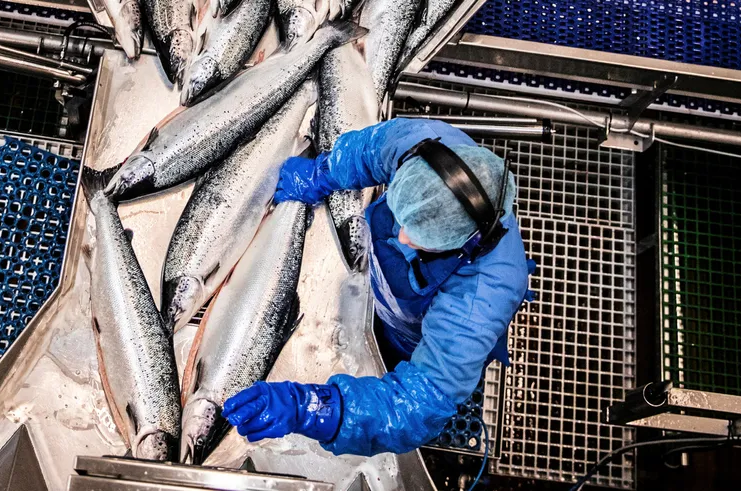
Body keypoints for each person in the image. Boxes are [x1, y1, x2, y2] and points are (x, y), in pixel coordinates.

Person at [221, 118, 532, 456]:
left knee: (404, 357)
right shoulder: (424, 143)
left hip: (415, 335)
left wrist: (315, 409)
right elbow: (365, 152)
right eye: (402, 218)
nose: (400, 237)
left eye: (421, 238)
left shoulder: (482, 296)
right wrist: (320, 174)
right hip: (385, 300)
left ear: (469, 242)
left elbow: (420, 402)